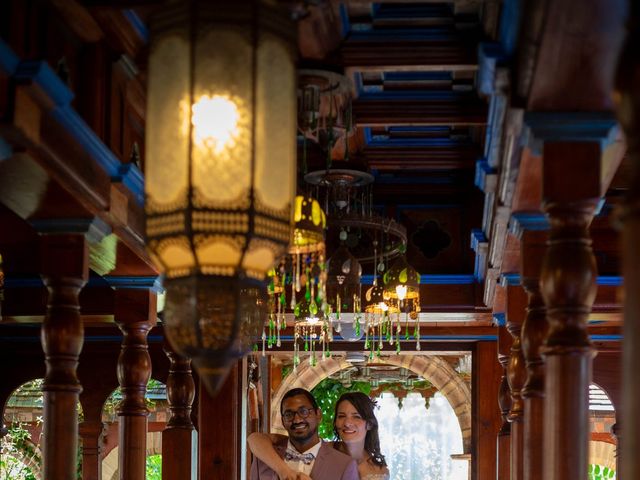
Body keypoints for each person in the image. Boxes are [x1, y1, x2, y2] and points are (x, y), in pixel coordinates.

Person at [249, 391, 389, 480]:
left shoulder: (377, 471)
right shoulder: (321, 446)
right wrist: (285, 471)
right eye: (341, 416)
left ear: (369, 424)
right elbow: (255, 439)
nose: (347, 423)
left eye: (356, 416)